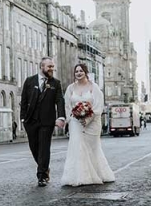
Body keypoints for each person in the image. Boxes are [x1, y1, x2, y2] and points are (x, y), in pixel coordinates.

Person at [61, 64, 115, 186]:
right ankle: (79, 176)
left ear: (86, 72)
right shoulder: (70, 88)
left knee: (92, 148)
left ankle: (98, 173)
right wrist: (71, 118)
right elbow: (67, 105)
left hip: (92, 122)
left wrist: (88, 118)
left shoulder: (93, 87)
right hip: (76, 122)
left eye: (81, 71)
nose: (78, 73)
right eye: (76, 71)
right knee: (77, 146)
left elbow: (98, 105)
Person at [20, 57, 66, 187]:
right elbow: (24, 100)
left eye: (52, 66)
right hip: (31, 121)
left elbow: (59, 100)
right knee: (34, 148)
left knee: (44, 149)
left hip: (47, 121)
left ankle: (42, 176)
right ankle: (44, 168)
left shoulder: (55, 83)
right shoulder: (29, 81)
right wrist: (23, 118)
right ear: (42, 67)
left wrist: (61, 117)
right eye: (49, 67)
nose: (52, 69)